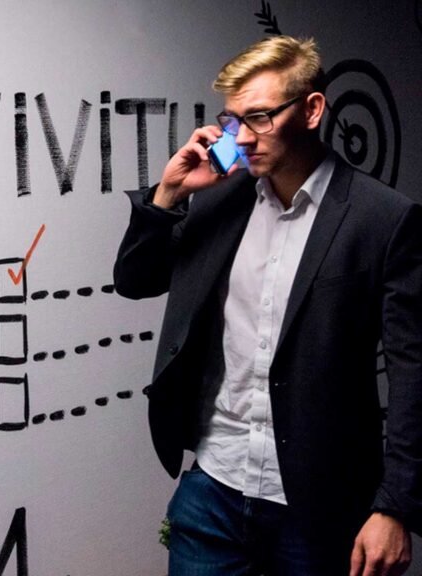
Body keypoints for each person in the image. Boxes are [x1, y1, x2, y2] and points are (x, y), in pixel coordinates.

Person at [114, 35, 422, 575]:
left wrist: (395, 506)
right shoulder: (217, 198)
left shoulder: (383, 218)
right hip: (213, 488)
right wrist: (169, 194)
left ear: (312, 110)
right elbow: (135, 280)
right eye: (233, 121)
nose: (242, 137)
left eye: (259, 117)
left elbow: (413, 371)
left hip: (320, 503)